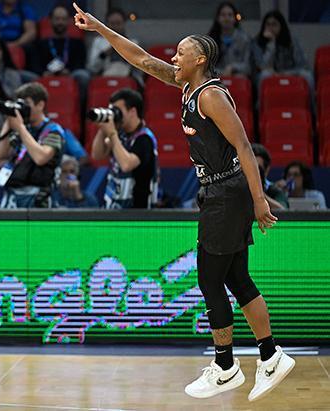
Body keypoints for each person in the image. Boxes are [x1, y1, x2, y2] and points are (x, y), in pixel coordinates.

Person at [74, 3, 294, 402]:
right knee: (236, 279)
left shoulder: (211, 96)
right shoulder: (187, 87)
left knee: (209, 279)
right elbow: (140, 58)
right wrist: (99, 27)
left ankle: (225, 366)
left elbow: (244, 147)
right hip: (220, 193)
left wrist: (260, 200)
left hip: (226, 193)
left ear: (200, 59)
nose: (173, 58)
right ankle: (270, 356)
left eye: (180, 52)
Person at [0, 82, 64, 208]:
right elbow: (0, 154)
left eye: (26, 103)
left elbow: (41, 158)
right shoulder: (22, 127)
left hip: (39, 197)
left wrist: (20, 128)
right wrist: (9, 121)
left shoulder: (53, 130)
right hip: (13, 194)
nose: (23, 108)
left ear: (40, 105)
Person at [90, 88, 157, 209]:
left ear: (132, 111)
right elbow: (97, 154)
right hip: (113, 206)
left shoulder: (145, 139)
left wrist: (112, 133)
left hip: (137, 211)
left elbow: (126, 165)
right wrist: (103, 129)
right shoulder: (120, 135)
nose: (115, 115)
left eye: (117, 111)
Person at [30, 5, 89, 95]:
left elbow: (80, 64)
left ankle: (81, 104)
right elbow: (35, 64)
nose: (60, 22)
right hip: (44, 74)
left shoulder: (78, 43)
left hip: (70, 74)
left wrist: (69, 71)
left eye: (63, 19)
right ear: (50, 20)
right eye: (57, 19)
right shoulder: (39, 44)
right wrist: (43, 73)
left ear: (69, 21)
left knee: (83, 75)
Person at [252, 10, 313, 89]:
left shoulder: (291, 40)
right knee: (264, 74)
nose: (270, 28)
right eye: (268, 24)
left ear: (281, 26)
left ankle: (311, 97)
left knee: (307, 75)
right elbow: (261, 66)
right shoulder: (257, 42)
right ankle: (261, 97)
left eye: (274, 24)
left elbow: (302, 64)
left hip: (290, 72)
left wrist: (286, 73)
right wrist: (271, 45)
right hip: (270, 74)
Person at [87, 8, 141, 84]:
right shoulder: (99, 42)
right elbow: (92, 68)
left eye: (118, 23)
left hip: (126, 78)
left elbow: (139, 70)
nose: (115, 27)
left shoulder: (132, 43)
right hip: (103, 77)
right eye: (112, 23)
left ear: (124, 24)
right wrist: (104, 54)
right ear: (107, 24)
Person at [206, 2, 252, 77]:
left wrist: (233, 67)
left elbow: (248, 67)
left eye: (230, 15)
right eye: (223, 15)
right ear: (218, 18)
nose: (226, 18)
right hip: (217, 77)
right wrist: (221, 73)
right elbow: (206, 68)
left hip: (237, 77)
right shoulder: (210, 40)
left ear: (235, 18)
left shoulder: (245, 39)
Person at [251, 143, 288, 210]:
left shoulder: (275, 191)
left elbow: (284, 210)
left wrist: (259, 194)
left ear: (267, 170)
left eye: (258, 169)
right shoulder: (235, 188)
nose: (252, 173)